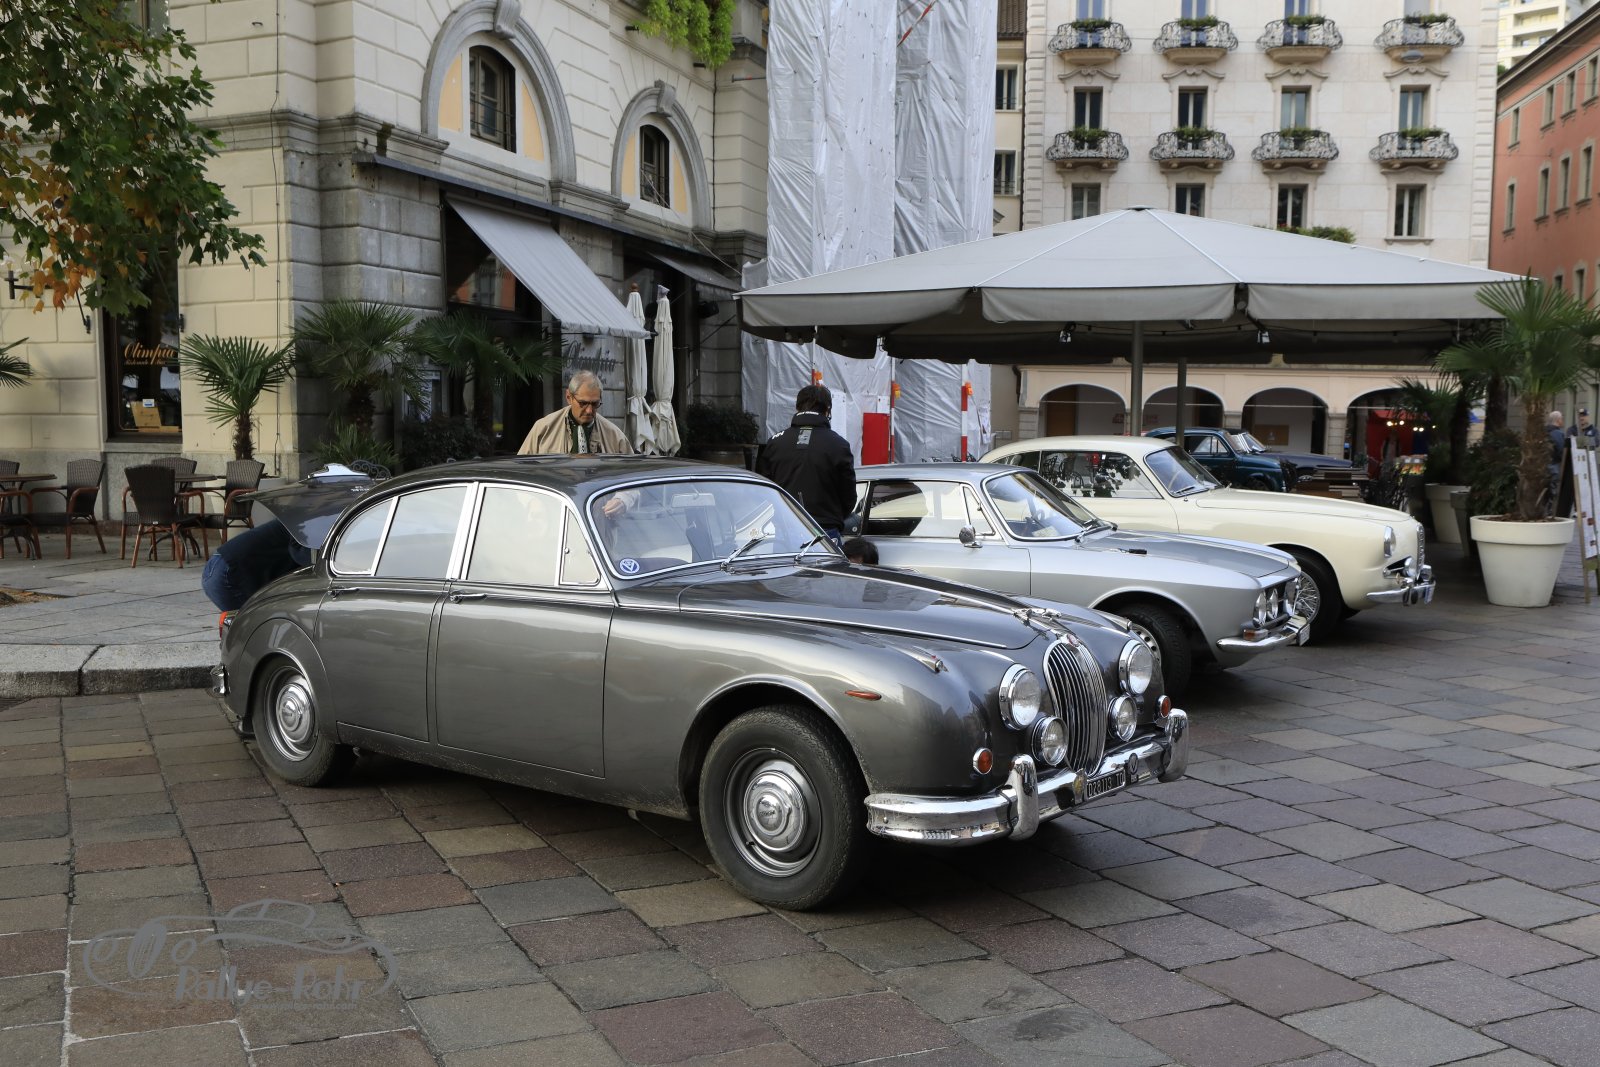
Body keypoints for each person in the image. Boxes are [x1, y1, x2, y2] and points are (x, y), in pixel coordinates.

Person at [759, 384, 857, 544]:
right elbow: (849, 496)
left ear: (797, 407)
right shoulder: (838, 445)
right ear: (827, 410)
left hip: (785, 529)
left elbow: (764, 490)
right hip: (824, 530)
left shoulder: (775, 443)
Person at [201, 519, 312, 613]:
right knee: (256, 625)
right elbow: (300, 553)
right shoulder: (307, 524)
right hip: (228, 571)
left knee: (255, 625)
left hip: (221, 563)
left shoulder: (302, 519)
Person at [517, 370, 632, 456]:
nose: (589, 410)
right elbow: (522, 469)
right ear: (569, 397)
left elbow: (630, 473)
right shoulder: (543, 429)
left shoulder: (615, 436)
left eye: (595, 404)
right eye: (583, 403)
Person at [1548, 410, 1567, 513]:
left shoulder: (1543, 431)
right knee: (1553, 489)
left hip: (1543, 465)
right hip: (1554, 465)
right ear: (1558, 420)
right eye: (1562, 418)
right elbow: (1561, 450)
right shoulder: (1558, 434)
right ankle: (1551, 511)